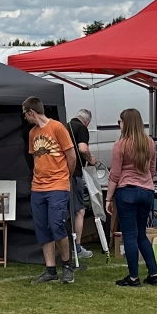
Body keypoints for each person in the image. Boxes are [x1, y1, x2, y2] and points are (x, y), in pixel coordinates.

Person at [23, 98, 78, 283]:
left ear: (31, 112)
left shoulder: (57, 128)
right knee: (42, 228)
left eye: (25, 113)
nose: (24, 117)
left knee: (56, 225)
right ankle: (50, 270)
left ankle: (67, 265)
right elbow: (35, 160)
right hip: (38, 187)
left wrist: (65, 177)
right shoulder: (32, 133)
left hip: (57, 186)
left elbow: (72, 156)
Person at [108, 108, 157, 288]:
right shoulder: (150, 143)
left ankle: (133, 277)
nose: (119, 124)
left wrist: (108, 198)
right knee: (141, 235)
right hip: (147, 191)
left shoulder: (121, 144)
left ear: (126, 123)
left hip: (127, 191)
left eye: (120, 121)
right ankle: (154, 274)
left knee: (129, 236)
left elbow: (115, 175)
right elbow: (152, 170)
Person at [66, 107, 96, 256]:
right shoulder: (82, 129)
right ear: (87, 122)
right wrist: (91, 160)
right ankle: (77, 247)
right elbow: (83, 149)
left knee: (64, 211)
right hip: (74, 173)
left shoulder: (64, 126)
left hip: (60, 174)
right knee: (79, 210)